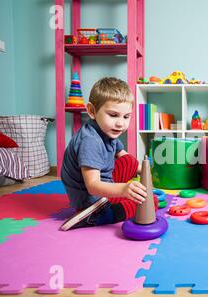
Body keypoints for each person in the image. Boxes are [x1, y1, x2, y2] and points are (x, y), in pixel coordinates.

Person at [60, 77, 157, 231]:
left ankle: (113, 202)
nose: (120, 123)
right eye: (113, 115)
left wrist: (149, 173)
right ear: (92, 111)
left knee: (129, 161)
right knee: (150, 202)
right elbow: (92, 186)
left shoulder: (106, 131)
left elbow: (127, 159)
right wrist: (124, 190)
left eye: (126, 117)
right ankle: (99, 216)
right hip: (90, 199)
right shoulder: (90, 141)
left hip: (105, 183)